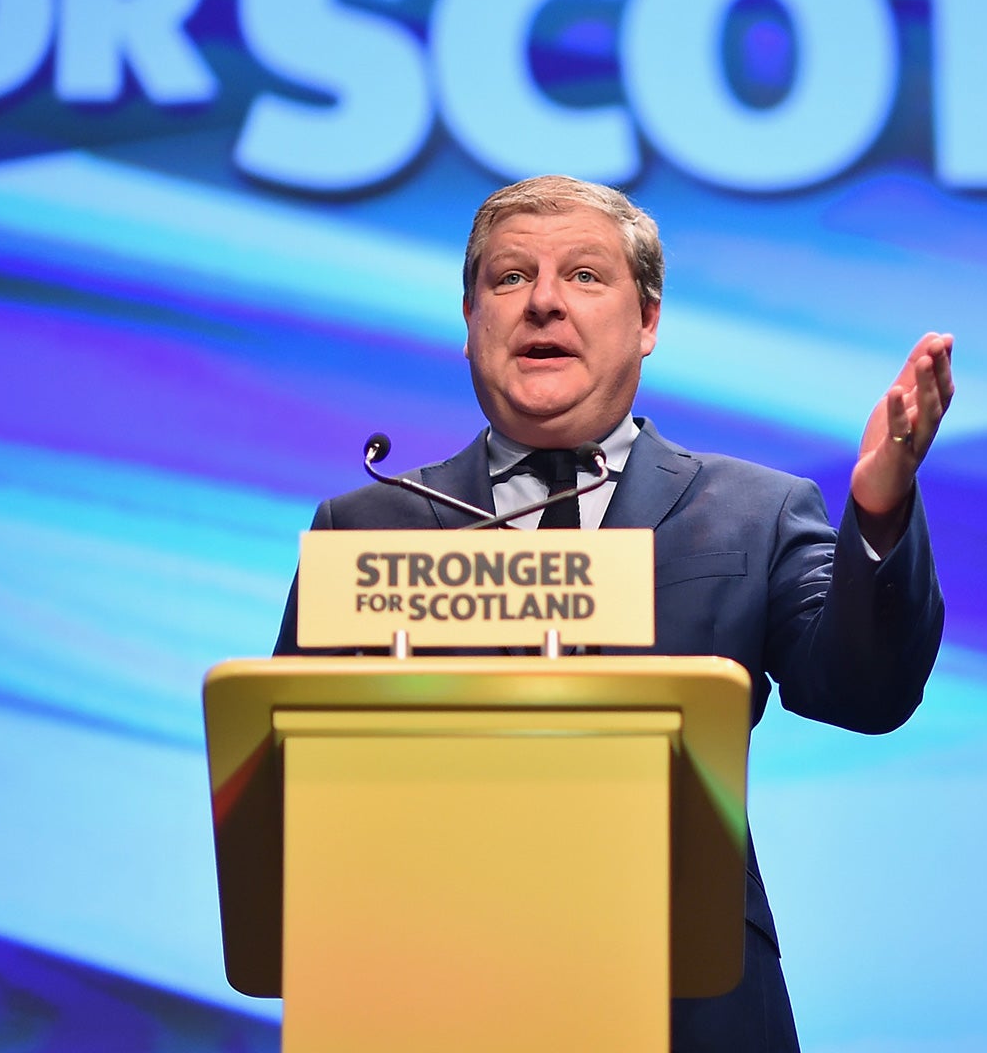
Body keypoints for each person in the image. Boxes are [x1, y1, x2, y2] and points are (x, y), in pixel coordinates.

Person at [273, 174, 950, 1053]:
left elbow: (866, 691)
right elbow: (292, 800)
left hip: (692, 1008)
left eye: (586, 276)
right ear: (471, 321)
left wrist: (882, 509)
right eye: (511, 278)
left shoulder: (751, 511)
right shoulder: (366, 526)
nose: (546, 302)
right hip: (429, 1006)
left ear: (649, 321)